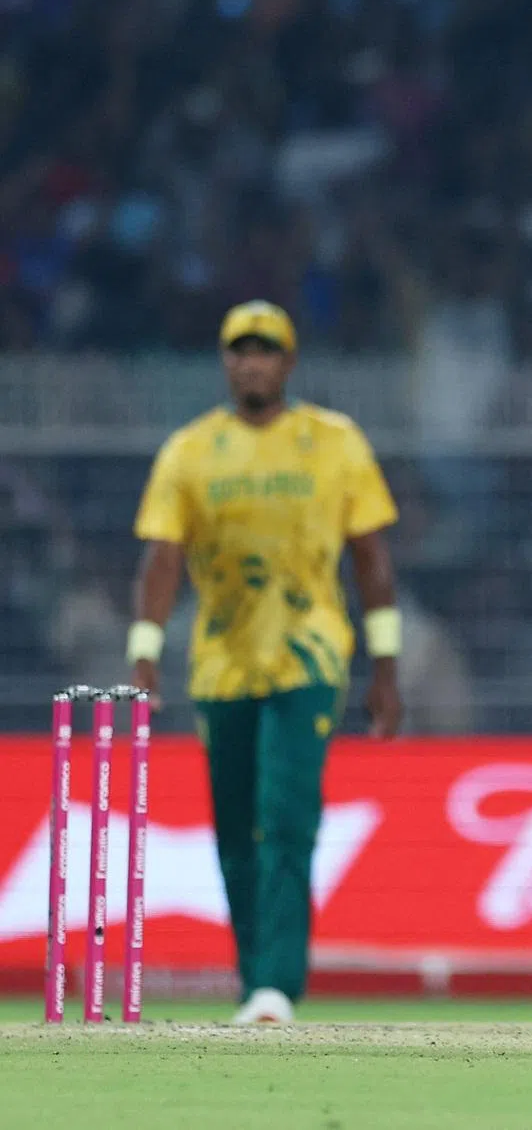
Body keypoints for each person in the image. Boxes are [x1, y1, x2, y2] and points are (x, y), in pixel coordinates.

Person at [128, 299, 403, 1024]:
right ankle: (256, 982)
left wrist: (386, 666)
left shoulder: (333, 441)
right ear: (226, 362)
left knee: (285, 815)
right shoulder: (191, 450)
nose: (252, 363)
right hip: (221, 662)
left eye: (265, 351)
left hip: (309, 655)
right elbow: (163, 557)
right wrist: (144, 651)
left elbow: (370, 557)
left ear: (288, 362)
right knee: (234, 824)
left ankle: (277, 983)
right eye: (240, 351)